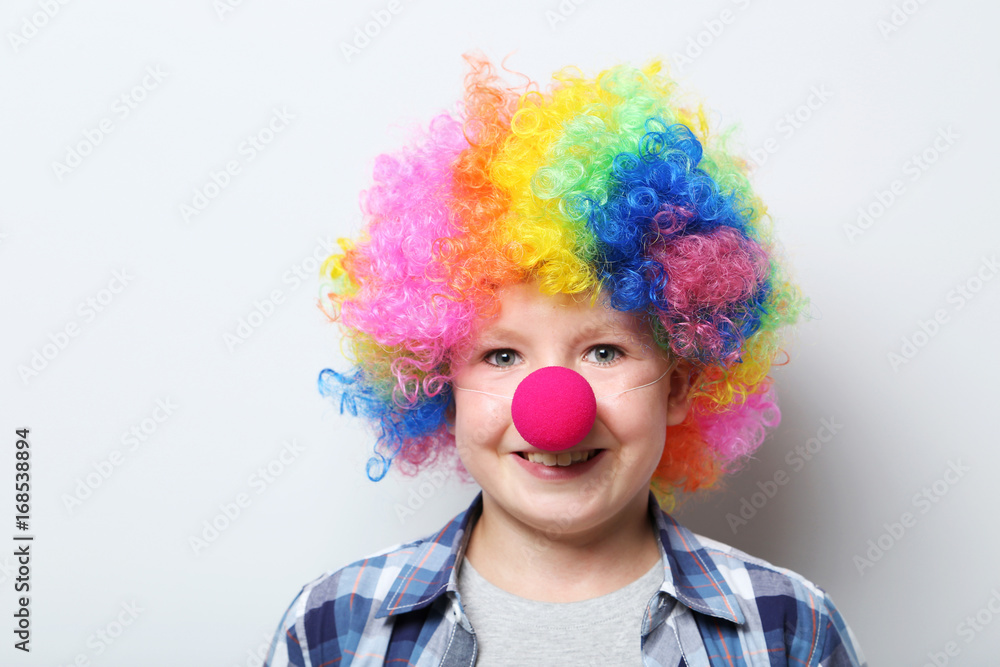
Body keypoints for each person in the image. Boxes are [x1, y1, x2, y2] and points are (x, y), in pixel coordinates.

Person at [264, 55, 866, 666]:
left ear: (679, 385)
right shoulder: (336, 626)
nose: (554, 409)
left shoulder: (787, 628)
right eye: (501, 355)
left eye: (605, 351)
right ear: (438, 384)